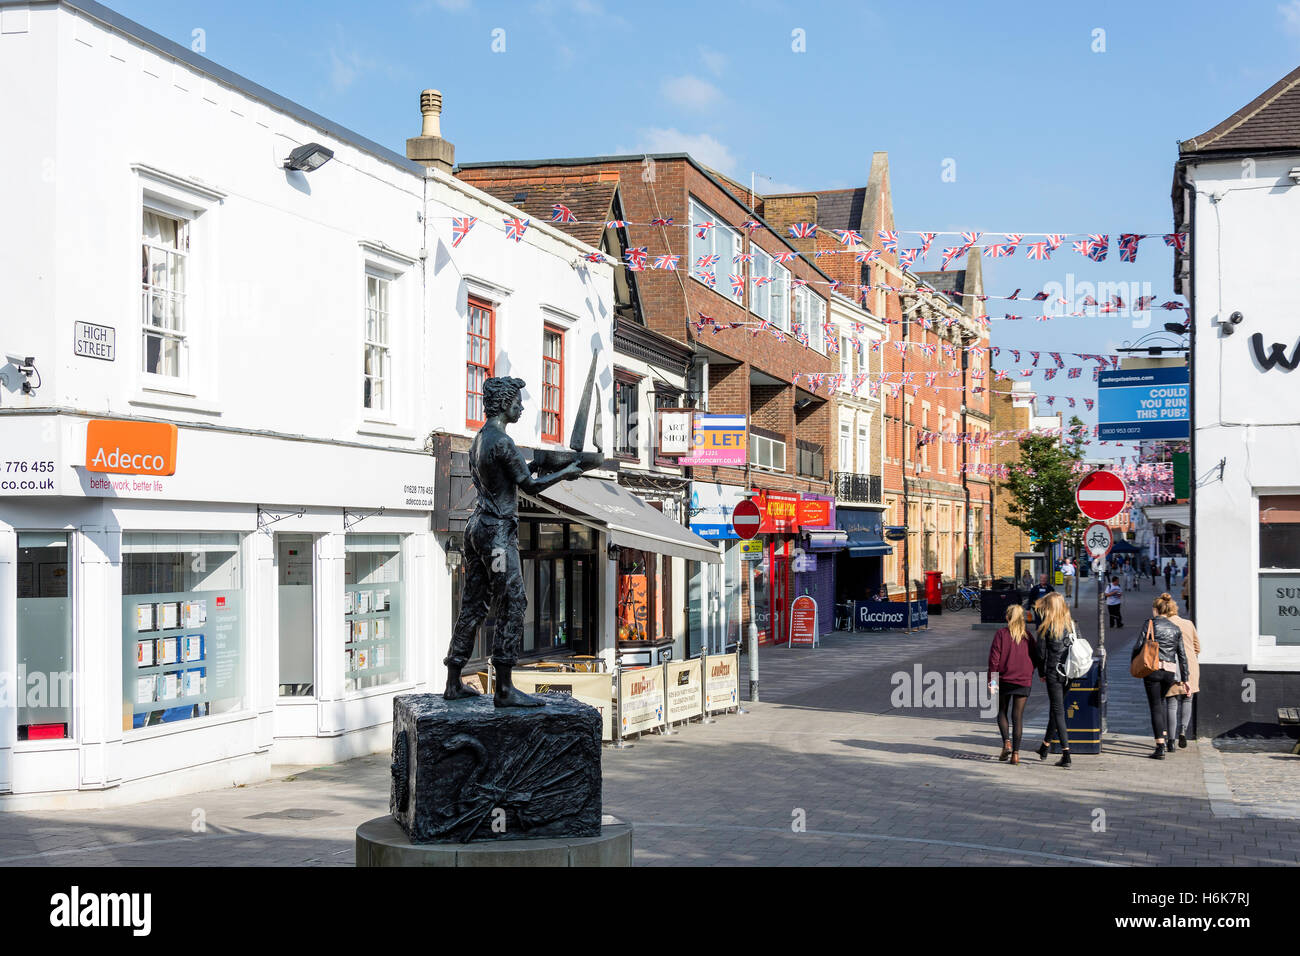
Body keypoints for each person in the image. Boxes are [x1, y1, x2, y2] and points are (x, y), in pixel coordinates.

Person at [444, 376, 585, 706]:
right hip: (496, 535)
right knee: (513, 600)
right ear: (506, 402)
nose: (521, 407)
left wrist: (536, 466)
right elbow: (530, 487)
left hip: (477, 528)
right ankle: (505, 687)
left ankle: (453, 678)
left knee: (474, 602)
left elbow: (513, 475)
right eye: (518, 402)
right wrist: (566, 474)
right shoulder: (502, 442)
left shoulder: (481, 439)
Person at [1133, 593, 1190, 759]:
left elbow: (1138, 646)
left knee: (1155, 707)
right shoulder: (1176, 629)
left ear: (1156, 609)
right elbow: (1182, 656)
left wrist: (1134, 663)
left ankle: (1160, 746)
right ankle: (1164, 736)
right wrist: (1185, 679)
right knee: (1162, 703)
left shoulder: (1150, 624)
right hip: (1170, 673)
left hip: (1153, 670)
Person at [987, 605, 1041, 764]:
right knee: (1018, 717)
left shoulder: (1001, 634)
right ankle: (1016, 755)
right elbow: (1036, 657)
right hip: (1023, 680)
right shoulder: (1028, 636)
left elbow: (994, 660)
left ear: (1007, 618)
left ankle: (1006, 743)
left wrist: (992, 681)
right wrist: (1030, 671)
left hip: (1004, 679)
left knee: (1002, 712)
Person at [1033, 592, 1078, 768]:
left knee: (1058, 711)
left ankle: (1066, 753)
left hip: (1054, 673)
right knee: (1056, 708)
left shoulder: (1046, 627)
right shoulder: (1072, 625)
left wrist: (1041, 673)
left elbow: (1040, 654)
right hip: (1069, 673)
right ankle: (1045, 746)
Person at [1166, 594, 1201, 748]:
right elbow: (1197, 647)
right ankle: (1183, 731)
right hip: (1190, 665)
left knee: (1171, 704)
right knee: (1188, 698)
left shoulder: (1163, 624)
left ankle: (1171, 740)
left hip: (1171, 666)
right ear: (1176, 609)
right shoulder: (1188, 624)